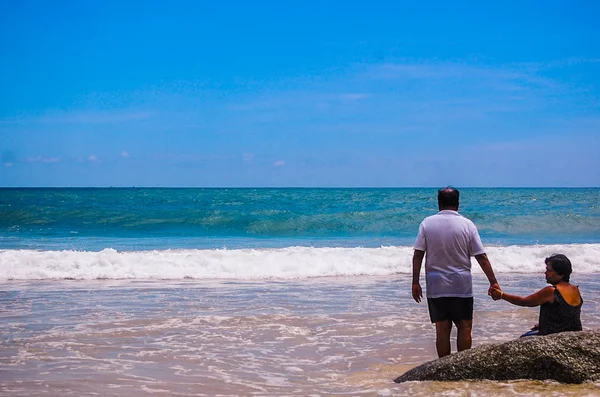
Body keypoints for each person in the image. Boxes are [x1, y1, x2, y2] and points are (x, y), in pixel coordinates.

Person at [412, 187, 500, 358]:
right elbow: (481, 256)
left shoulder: (427, 223)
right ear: (458, 204)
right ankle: (462, 366)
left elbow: (418, 254)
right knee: (465, 326)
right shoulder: (467, 224)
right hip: (461, 284)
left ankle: (443, 369)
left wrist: (415, 282)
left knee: (442, 329)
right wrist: (493, 281)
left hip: (436, 285)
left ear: (439, 203)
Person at [491, 254, 582, 336]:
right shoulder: (575, 289)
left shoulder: (552, 291)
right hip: (574, 334)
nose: (545, 273)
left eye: (549, 270)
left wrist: (502, 295)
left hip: (554, 336)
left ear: (561, 274)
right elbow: (568, 314)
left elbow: (524, 302)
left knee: (522, 338)